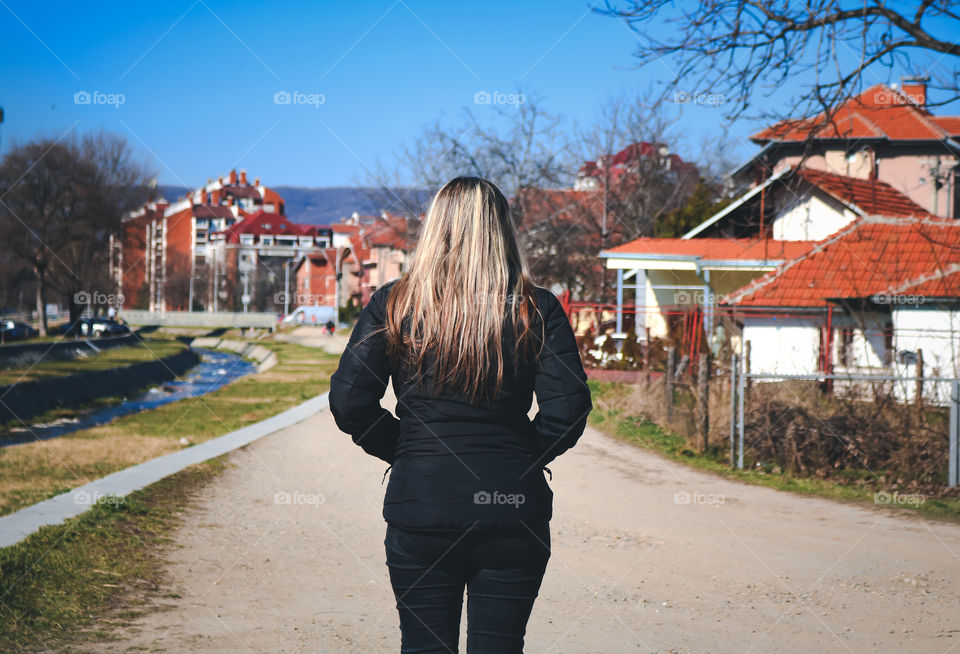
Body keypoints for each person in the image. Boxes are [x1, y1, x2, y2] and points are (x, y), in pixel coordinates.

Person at [329, 176, 592, 653]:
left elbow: (350, 403)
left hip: (421, 509)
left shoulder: (394, 303)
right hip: (514, 514)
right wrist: (518, 461)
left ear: (436, 228)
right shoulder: (536, 308)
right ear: (501, 230)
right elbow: (568, 412)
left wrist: (407, 452)